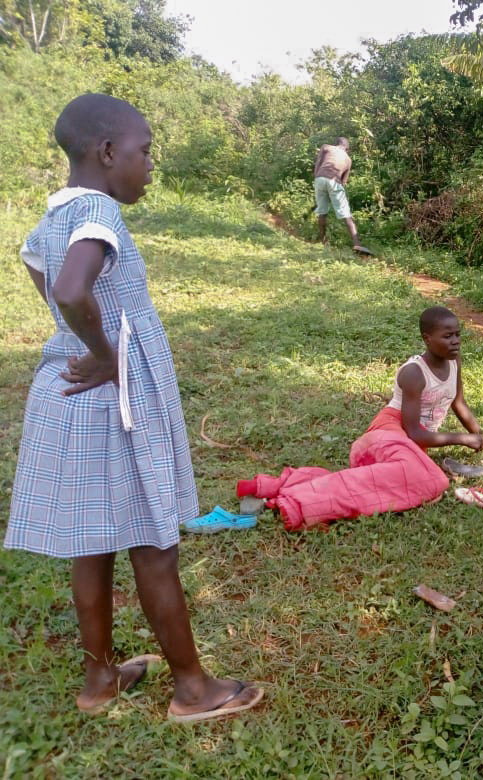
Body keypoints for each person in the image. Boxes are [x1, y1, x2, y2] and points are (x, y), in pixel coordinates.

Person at [4, 93, 264, 721]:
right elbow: (70, 289)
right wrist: (105, 350)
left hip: (65, 392)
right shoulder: (98, 211)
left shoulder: (55, 213)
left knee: (90, 543)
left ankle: (99, 682)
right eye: (145, 151)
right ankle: (193, 688)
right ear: (108, 151)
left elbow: (42, 273)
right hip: (105, 394)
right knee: (153, 541)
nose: (150, 164)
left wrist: (79, 341)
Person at [237, 307, 483, 529]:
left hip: (406, 449)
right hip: (386, 434)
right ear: (427, 339)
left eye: (457, 335)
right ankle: (300, 503)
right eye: (447, 336)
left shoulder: (453, 362)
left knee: (397, 480)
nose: (455, 342)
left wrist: (477, 434)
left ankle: (275, 487)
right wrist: (462, 438)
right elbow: (415, 433)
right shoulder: (414, 373)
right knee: (432, 481)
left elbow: (458, 402)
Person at [313, 136, 370, 254]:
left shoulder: (326, 147)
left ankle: (322, 241)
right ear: (347, 148)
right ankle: (357, 244)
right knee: (345, 214)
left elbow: (318, 164)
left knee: (322, 212)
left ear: (336, 144)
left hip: (319, 178)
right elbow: (344, 182)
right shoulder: (348, 160)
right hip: (335, 182)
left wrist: (318, 178)